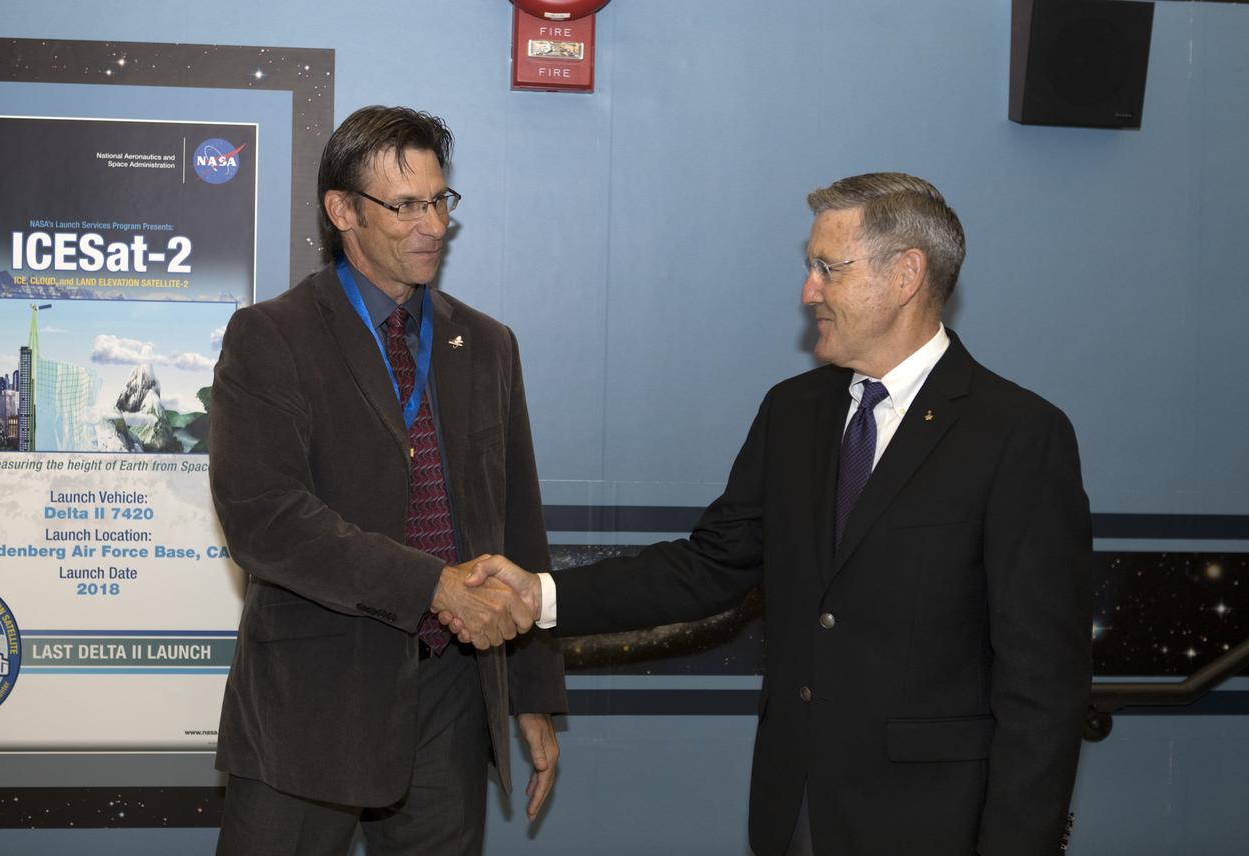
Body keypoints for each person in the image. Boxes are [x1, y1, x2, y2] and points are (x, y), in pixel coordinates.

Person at [453, 173, 1093, 855]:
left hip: (933, 821)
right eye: (808, 267)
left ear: (907, 273)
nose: (807, 290)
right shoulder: (794, 412)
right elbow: (707, 567)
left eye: (828, 268)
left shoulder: (1017, 435)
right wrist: (541, 593)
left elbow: (1043, 689)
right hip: (795, 810)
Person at [208, 105, 566, 856]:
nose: (432, 223)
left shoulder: (488, 345)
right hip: (315, 699)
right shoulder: (272, 337)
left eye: (440, 200)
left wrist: (532, 692)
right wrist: (433, 586)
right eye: (405, 205)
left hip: (451, 694)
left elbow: (517, 521)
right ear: (343, 210)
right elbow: (265, 520)